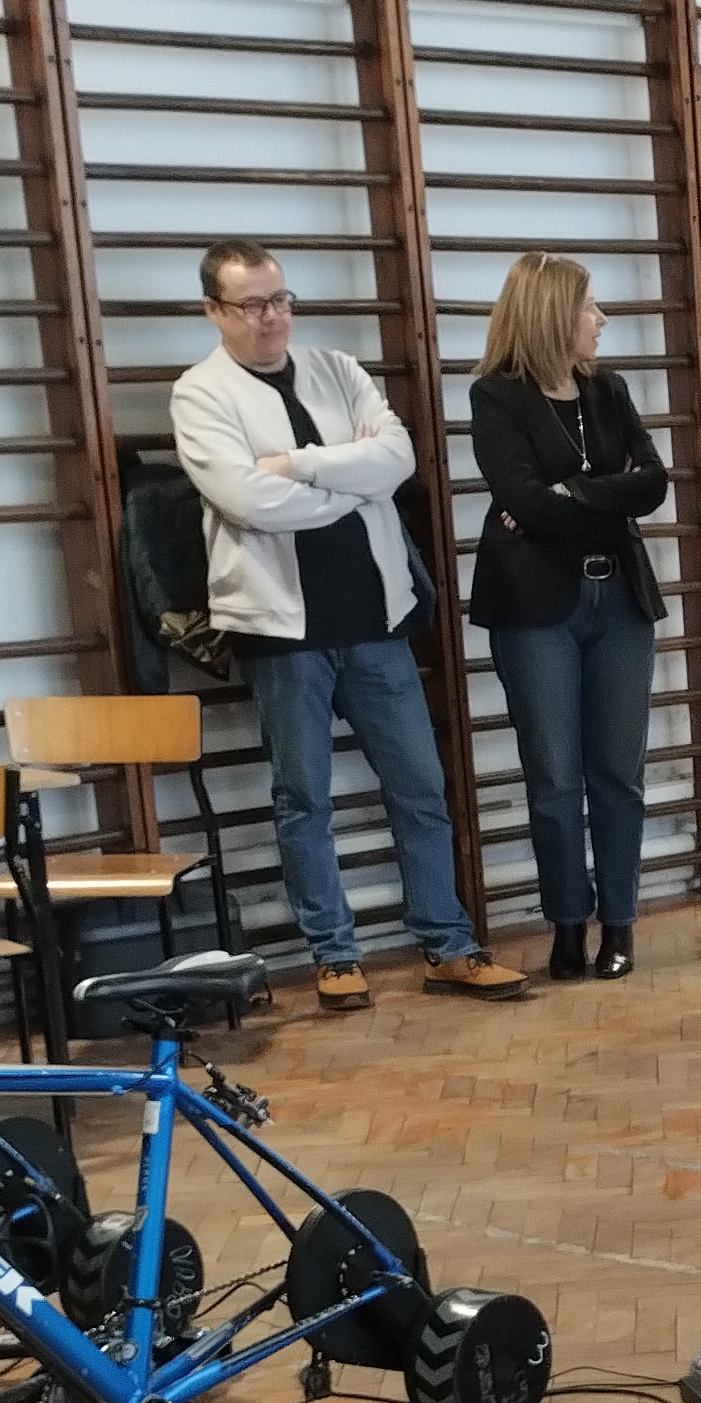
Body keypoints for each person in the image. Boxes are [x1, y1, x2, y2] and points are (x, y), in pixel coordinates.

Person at [170, 242, 523, 1011]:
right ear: (214, 311)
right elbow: (248, 502)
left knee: (421, 789)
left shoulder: (336, 369)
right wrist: (350, 479)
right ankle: (334, 955)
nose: (271, 317)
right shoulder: (200, 394)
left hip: (375, 620)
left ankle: (448, 945)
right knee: (305, 799)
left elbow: (395, 460)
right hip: (281, 631)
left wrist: (298, 465)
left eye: (280, 300)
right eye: (252, 305)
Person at [466, 253, 664, 985]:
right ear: (553, 315)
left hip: (620, 603)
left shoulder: (609, 391)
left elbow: (654, 485)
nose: (602, 319)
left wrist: (571, 494)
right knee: (553, 775)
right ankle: (567, 923)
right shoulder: (496, 396)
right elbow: (521, 495)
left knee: (619, 772)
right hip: (535, 607)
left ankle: (620, 922)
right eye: (590, 307)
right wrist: (599, 496)